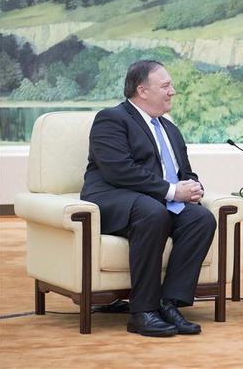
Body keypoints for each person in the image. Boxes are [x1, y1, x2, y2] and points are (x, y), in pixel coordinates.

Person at [81, 60, 216, 337]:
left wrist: (193, 188)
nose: (172, 91)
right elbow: (120, 170)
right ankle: (142, 312)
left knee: (201, 218)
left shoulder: (169, 129)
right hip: (112, 198)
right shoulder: (112, 119)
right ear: (142, 91)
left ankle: (169, 303)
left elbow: (184, 172)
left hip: (154, 201)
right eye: (165, 86)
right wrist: (172, 191)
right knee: (151, 211)